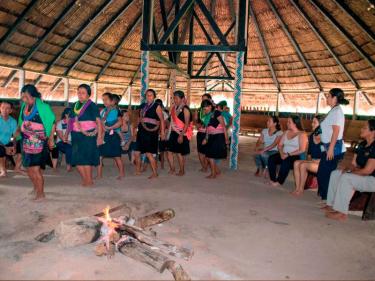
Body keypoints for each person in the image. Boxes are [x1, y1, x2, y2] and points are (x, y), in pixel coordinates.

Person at [321, 119, 375, 221]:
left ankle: (342, 213)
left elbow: (367, 171)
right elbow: (354, 164)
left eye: (364, 128)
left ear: (373, 132)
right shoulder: (362, 145)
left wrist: (352, 172)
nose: (361, 129)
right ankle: (331, 205)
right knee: (336, 173)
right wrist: (348, 168)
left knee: (347, 178)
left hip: (372, 179)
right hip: (362, 175)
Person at [18, 84, 55, 200]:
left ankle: (40, 194)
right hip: (26, 142)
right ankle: (36, 188)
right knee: (29, 169)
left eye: (26, 97)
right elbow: (21, 123)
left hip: (39, 143)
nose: (24, 99)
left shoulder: (43, 107)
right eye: (22, 97)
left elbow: (53, 122)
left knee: (35, 169)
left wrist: (51, 139)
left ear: (33, 96)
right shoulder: (24, 107)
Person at [317, 88, 348, 201]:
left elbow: (336, 132)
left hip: (333, 147)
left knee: (324, 174)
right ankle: (326, 198)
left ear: (334, 98)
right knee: (323, 173)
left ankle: (327, 199)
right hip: (328, 146)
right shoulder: (334, 110)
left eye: (329, 96)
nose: (327, 98)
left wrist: (330, 148)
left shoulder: (337, 112)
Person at [69, 84, 103, 187]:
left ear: (88, 94)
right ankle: (86, 179)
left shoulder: (92, 105)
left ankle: (89, 181)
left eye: (83, 93)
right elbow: (71, 121)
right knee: (77, 159)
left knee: (86, 159)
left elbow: (98, 122)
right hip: (76, 135)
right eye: (79, 92)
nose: (80, 94)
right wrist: (67, 134)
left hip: (89, 135)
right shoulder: (74, 105)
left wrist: (100, 137)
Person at [268, 115, 308, 187]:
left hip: (295, 155)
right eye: (287, 122)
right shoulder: (286, 132)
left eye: (289, 122)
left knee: (286, 161)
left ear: (295, 124)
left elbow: (302, 150)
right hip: (284, 154)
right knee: (271, 158)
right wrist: (281, 154)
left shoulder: (302, 134)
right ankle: (273, 179)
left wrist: (288, 154)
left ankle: (279, 181)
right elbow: (280, 145)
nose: (287, 123)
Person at [134, 89, 165, 179]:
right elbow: (139, 118)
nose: (148, 97)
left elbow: (162, 120)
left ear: (154, 97)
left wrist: (162, 132)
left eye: (151, 95)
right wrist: (136, 128)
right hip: (141, 131)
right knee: (136, 152)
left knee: (148, 153)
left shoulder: (157, 106)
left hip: (151, 133)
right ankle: (138, 170)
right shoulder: (143, 105)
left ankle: (155, 173)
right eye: (147, 95)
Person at [291, 116, 322, 196]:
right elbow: (309, 152)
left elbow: (327, 154)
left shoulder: (325, 138)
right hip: (313, 161)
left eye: (314, 123)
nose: (312, 124)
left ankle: (301, 189)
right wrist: (309, 159)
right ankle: (297, 188)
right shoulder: (312, 136)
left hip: (321, 163)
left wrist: (316, 161)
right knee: (296, 163)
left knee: (303, 165)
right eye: (312, 122)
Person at [98, 92, 124, 180]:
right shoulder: (103, 111)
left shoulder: (117, 110)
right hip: (104, 135)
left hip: (114, 135)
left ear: (111, 100)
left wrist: (110, 127)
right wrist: (102, 130)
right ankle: (99, 175)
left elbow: (120, 122)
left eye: (106, 99)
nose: (104, 101)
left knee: (117, 156)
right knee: (100, 156)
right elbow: (100, 122)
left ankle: (121, 173)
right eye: (103, 100)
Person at [201, 99, 229, 179]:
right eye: (203, 108)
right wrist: (205, 139)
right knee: (209, 156)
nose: (204, 110)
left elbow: (223, 126)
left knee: (210, 156)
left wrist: (226, 139)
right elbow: (208, 129)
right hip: (211, 137)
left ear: (210, 106)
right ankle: (216, 171)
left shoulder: (216, 113)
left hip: (218, 137)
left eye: (205, 108)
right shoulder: (207, 116)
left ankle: (213, 174)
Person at [167, 91, 193, 176]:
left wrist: (181, 136)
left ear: (182, 99)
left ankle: (182, 171)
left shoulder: (185, 109)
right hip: (173, 133)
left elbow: (186, 124)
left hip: (181, 134)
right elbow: (170, 121)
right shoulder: (174, 108)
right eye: (174, 98)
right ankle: (172, 168)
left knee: (179, 153)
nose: (175, 100)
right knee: (169, 151)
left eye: (176, 98)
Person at [195, 94, 212, 172]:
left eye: (205, 99)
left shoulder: (212, 111)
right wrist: (196, 123)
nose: (203, 101)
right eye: (202, 99)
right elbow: (195, 120)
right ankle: (204, 167)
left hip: (208, 133)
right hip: (200, 133)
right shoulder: (199, 110)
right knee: (200, 151)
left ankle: (211, 168)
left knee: (208, 152)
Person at [0, 101, 17, 177]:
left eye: (7, 108)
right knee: (1, 150)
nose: (4, 110)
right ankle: (3, 170)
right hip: (1, 144)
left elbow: (14, 136)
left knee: (20, 147)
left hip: (7, 143)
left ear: (10, 111)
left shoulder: (13, 121)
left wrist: (14, 147)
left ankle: (17, 166)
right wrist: (5, 147)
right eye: (3, 108)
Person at [56, 108, 73, 172]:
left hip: (71, 141)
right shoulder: (60, 123)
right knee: (69, 148)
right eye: (70, 114)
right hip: (61, 142)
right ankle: (69, 165)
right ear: (66, 115)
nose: (72, 116)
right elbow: (61, 137)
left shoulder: (74, 123)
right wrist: (69, 124)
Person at [155, 99, 170, 170]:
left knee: (162, 151)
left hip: (162, 134)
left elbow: (168, 124)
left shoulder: (164, 113)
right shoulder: (153, 112)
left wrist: (166, 132)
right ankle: (156, 165)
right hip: (154, 134)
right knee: (154, 151)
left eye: (159, 105)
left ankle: (162, 166)